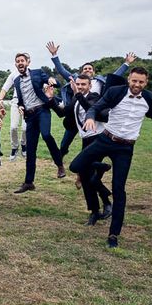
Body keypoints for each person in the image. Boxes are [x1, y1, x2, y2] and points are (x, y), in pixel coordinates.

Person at [69, 67, 152, 248]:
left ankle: (113, 234)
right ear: (129, 79)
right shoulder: (115, 92)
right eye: (134, 81)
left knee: (119, 190)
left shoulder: (149, 99)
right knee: (76, 166)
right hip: (105, 140)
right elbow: (97, 106)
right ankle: (100, 166)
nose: (137, 85)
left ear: (146, 82)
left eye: (141, 82)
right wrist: (90, 116)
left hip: (124, 149)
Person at [46, 41, 136, 157]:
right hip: (76, 114)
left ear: (93, 72)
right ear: (81, 72)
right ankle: (61, 161)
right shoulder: (76, 80)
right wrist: (55, 55)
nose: (87, 70)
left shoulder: (100, 81)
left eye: (90, 68)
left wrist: (127, 63)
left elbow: (116, 75)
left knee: (90, 147)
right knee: (64, 144)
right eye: (85, 68)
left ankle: (87, 167)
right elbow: (62, 70)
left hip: (93, 115)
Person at [50, 76, 113, 222]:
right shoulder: (75, 99)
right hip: (86, 139)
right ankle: (96, 210)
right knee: (85, 177)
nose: (80, 86)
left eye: (83, 84)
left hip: (98, 138)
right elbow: (62, 113)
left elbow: (92, 110)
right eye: (77, 84)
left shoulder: (95, 96)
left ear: (90, 85)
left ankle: (105, 201)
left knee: (86, 172)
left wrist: (78, 94)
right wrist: (51, 99)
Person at [12, 52, 65, 193]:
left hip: (42, 110)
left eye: (22, 60)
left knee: (46, 135)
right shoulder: (16, 81)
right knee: (31, 149)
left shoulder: (37, 73)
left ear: (28, 62)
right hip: (30, 116)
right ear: (15, 64)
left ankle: (59, 165)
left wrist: (53, 80)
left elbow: (56, 83)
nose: (20, 62)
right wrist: (20, 106)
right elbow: (20, 100)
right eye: (17, 61)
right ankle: (29, 182)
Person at [0, 70, 27, 161]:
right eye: (18, 61)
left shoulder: (31, 74)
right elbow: (4, 88)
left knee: (25, 128)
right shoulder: (14, 74)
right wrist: (0, 99)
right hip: (15, 101)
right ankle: (14, 147)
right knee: (13, 127)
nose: (20, 63)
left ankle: (24, 144)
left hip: (27, 102)